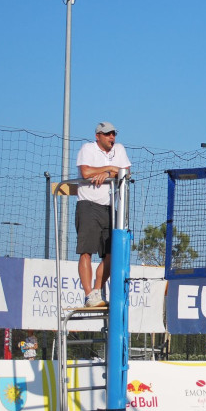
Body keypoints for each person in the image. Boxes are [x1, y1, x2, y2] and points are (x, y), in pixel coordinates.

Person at [76, 121, 132, 308]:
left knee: (111, 253)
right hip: (88, 204)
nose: (112, 138)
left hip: (109, 207)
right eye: (107, 134)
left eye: (114, 134)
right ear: (97, 135)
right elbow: (85, 172)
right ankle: (88, 295)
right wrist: (109, 170)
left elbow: (126, 173)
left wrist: (109, 171)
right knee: (86, 251)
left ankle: (97, 290)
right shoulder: (88, 148)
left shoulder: (120, 149)